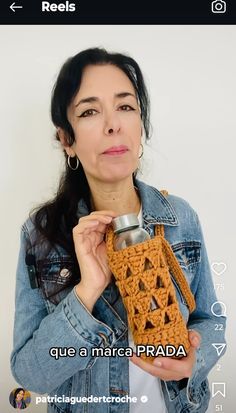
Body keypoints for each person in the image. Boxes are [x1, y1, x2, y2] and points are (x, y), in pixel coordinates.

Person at [11, 47, 226, 413]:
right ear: (67, 139)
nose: (113, 124)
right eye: (90, 111)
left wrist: (196, 359)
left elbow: (211, 321)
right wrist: (87, 291)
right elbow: (29, 375)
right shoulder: (41, 234)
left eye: (126, 107)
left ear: (141, 126)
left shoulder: (181, 218)